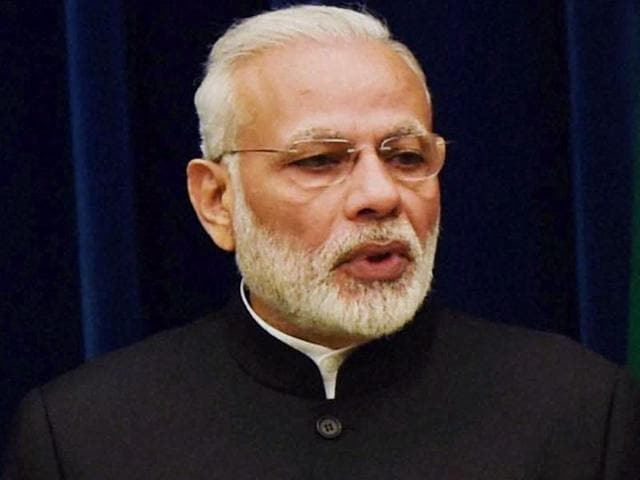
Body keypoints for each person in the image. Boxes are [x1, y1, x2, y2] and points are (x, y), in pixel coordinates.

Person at [3, 5, 639, 479]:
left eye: (407, 155)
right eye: (320, 161)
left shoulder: (581, 411)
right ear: (218, 202)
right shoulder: (82, 437)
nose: (380, 195)